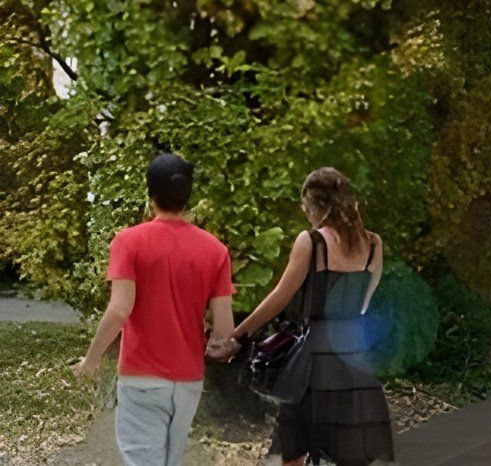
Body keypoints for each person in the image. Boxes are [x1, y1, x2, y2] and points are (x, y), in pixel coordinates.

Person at [217, 167, 395, 466]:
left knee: (291, 453)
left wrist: (237, 336)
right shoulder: (373, 244)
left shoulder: (312, 241)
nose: (305, 214)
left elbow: (279, 298)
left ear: (316, 206)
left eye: (305, 207)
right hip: (355, 362)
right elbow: (364, 305)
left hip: (315, 364)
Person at [73, 153, 237, 466]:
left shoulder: (128, 242)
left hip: (141, 377)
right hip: (188, 380)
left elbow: (119, 310)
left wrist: (91, 359)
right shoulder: (216, 251)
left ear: (150, 193)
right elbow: (224, 331)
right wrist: (220, 347)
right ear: (188, 194)